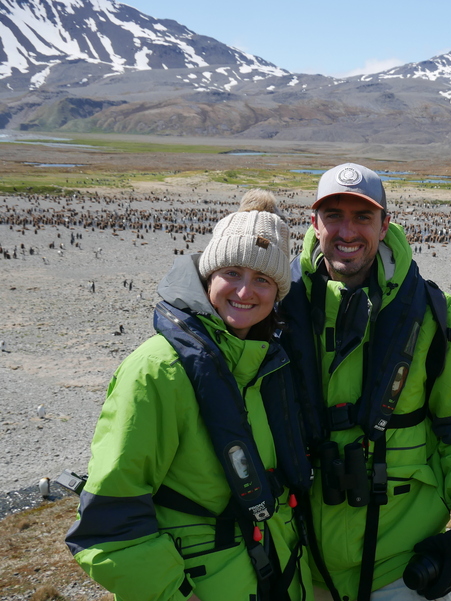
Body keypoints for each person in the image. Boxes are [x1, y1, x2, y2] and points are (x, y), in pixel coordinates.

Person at [66, 191, 313, 601]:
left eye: (263, 279)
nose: (245, 291)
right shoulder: (158, 370)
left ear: (278, 293)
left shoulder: (265, 365)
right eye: (232, 272)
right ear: (207, 275)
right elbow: (109, 526)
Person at [280, 164, 451, 601]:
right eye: (334, 215)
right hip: (300, 561)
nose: (347, 231)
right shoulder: (277, 306)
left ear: (385, 224)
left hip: (400, 561)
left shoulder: (432, 311)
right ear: (313, 221)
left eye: (363, 217)